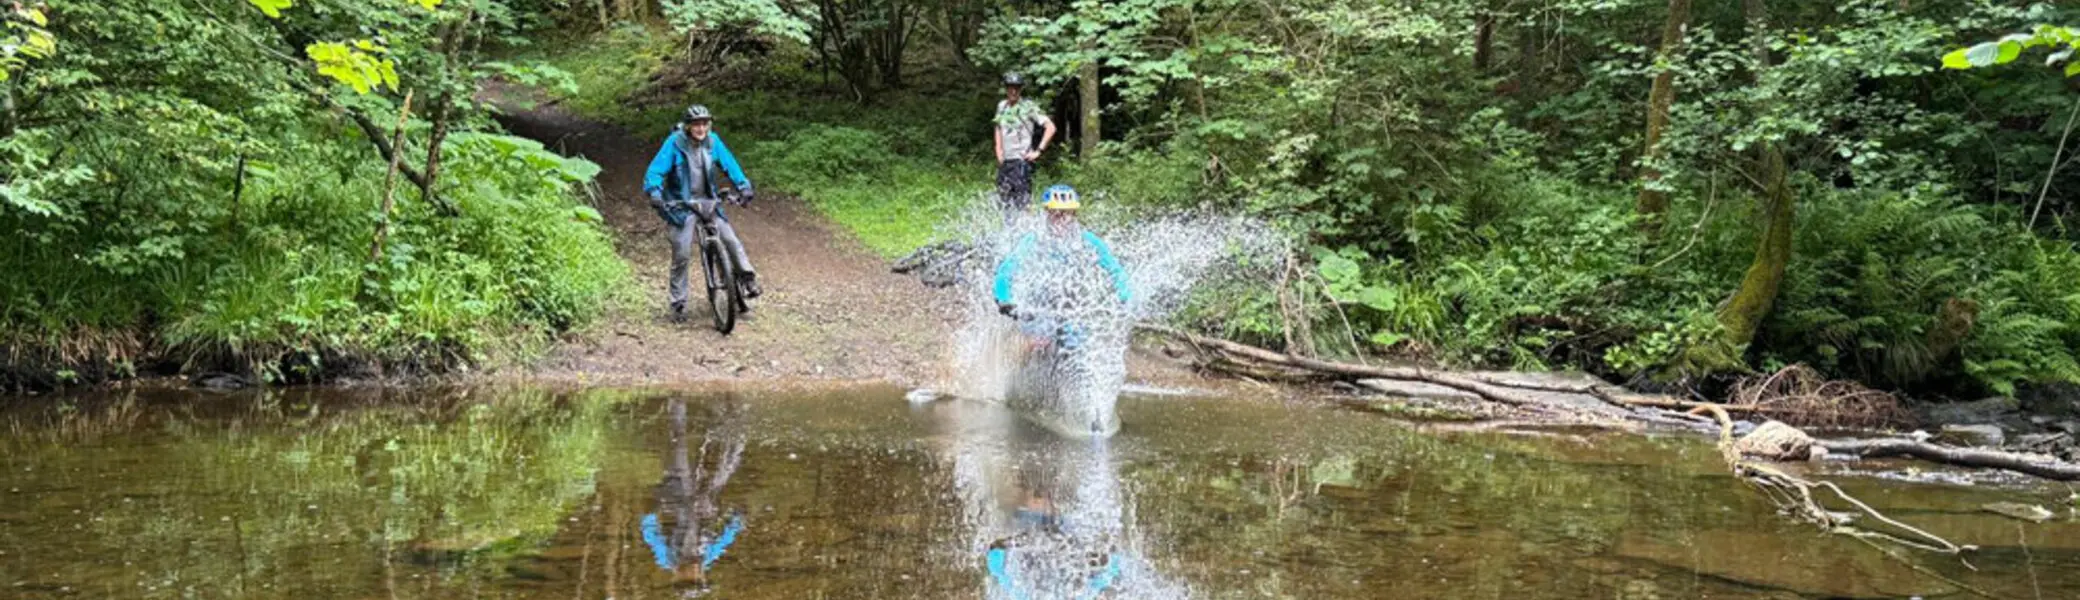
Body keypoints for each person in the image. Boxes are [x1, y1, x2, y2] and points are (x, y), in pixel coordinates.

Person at [644, 104, 761, 321]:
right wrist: (654, 192)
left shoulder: (713, 142)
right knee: (682, 253)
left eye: (704, 123)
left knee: (730, 240)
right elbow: (656, 170)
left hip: (708, 201)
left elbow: (730, 164)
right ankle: (678, 303)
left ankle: (747, 279)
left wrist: (743, 185)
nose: (700, 128)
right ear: (688, 126)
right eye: (696, 124)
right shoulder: (675, 143)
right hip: (682, 204)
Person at [992, 184, 1131, 342]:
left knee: (1078, 344)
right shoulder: (1033, 240)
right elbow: (1007, 270)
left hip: (1072, 307)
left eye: (1066, 214)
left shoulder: (1089, 241)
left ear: (1074, 215)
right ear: (1047, 214)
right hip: (1038, 307)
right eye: (1056, 214)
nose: (1061, 220)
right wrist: (1003, 298)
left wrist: (1124, 297)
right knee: (1037, 343)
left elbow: (1115, 270)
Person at [994, 73, 1057, 215]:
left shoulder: (1028, 107)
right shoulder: (1002, 106)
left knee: (1023, 202)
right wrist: (998, 149)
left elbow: (1051, 127)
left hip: (1021, 161)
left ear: (1021, 89)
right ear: (1006, 89)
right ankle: (1009, 232)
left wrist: (1039, 151)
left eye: (1016, 88)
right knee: (1004, 201)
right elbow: (998, 127)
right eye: (1010, 87)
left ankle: (1027, 231)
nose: (1013, 91)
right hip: (1006, 162)